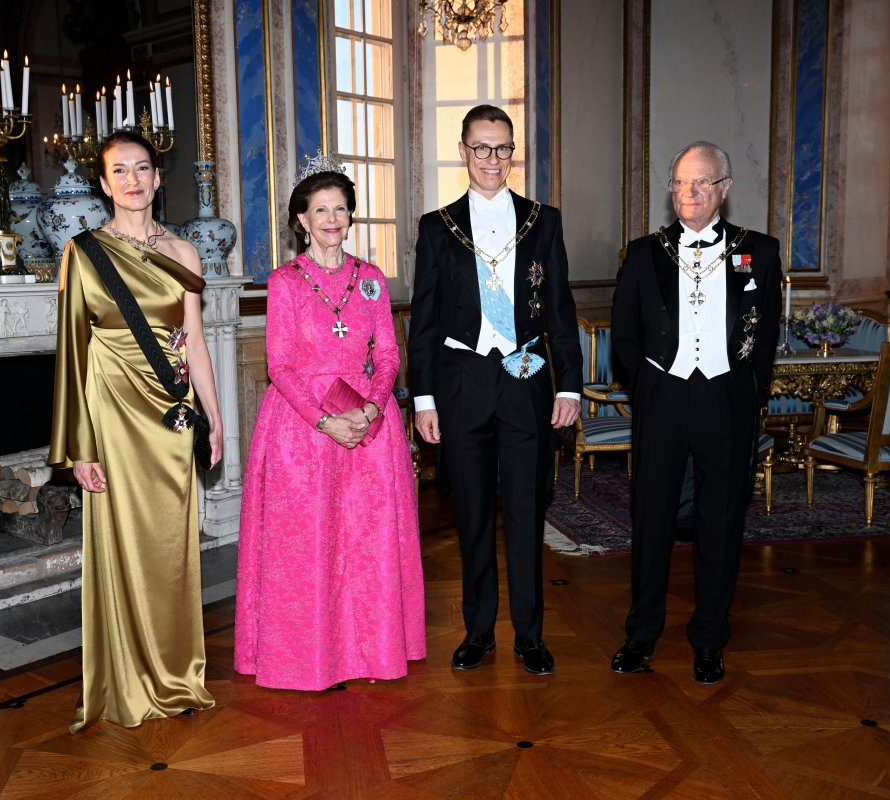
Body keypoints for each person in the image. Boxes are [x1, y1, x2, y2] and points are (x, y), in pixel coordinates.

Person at [48, 130, 223, 731]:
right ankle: (124, 676)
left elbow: (194, 341)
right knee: (121, 543)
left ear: (157, 176)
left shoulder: (185, 251)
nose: (133, 180)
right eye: (119, 171)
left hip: (171, 414)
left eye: (142, 168)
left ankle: (176, 674)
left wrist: (215, 417)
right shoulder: (82, 251)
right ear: (102, 183)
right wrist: (77, 447)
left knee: (171, 548)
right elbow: (72, 352)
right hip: (111, 416)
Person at [235, 156, 426, 690]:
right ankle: (312, 657)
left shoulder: (369, 280)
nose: (332, 218)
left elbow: (388, 352)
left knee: (366, 541)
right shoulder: (285, 282)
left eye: (341, 209)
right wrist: (325, 420)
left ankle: (371, 651)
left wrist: (369, 407)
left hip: (368, 421)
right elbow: (280, 364)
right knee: (311, 545)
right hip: (302, 428)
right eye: (321, 209)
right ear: (301, 219)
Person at [409, 105, 583, 676]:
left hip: (527, 377)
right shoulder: (438, 228)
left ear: (513, 153)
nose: (492, 160)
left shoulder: (543, 221)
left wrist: (571, 387)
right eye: (481, 148)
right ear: (463, 150)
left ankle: (530, 634)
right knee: (475, 512)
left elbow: (560, 309)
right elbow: (426, 322)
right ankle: (478, 631)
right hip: (461, 384)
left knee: (528, 511)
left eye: (502, 149)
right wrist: (425, 398)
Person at [609, 141, 782, 684]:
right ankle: (641, 634)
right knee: (652, 520)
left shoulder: (760, 250)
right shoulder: (642, 253)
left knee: (721, 522)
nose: (689, 192)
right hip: (663, 396)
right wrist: (651, 390)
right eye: (681, 182)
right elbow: (625, 337)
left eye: (702, 182)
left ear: (724, 189)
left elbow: (767, 333)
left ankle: (709, 639)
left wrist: (744, 392)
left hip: (727, 400)